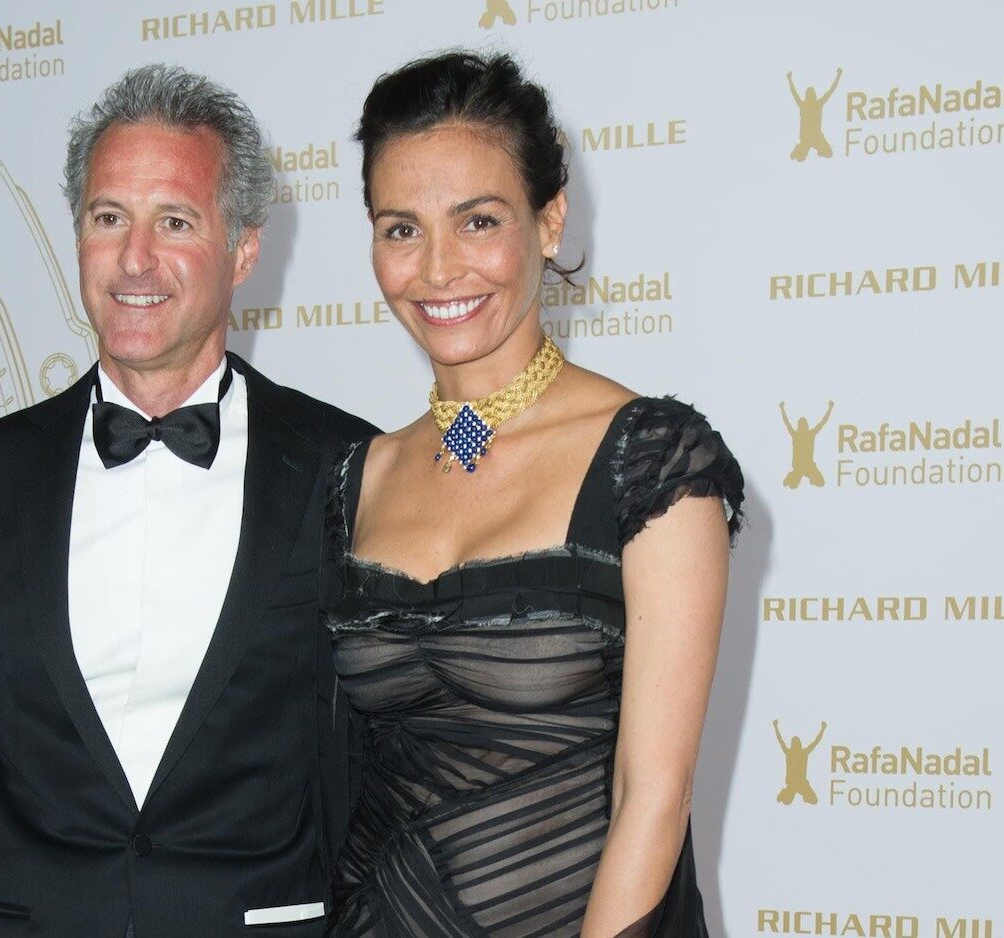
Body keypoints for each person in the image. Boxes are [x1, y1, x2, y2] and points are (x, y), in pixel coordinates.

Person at [0, 64, 374, 936]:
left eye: (174, 221)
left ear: (243, 249)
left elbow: (377, 763)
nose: (135, 259)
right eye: (109, 218)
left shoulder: (347, 465)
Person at [320, 52, 745, 937]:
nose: (438, 269)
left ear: (549, 221)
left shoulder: (651, 460)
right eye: (401, 229)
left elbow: (652, 798)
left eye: (477, 221)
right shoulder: (359, 475)